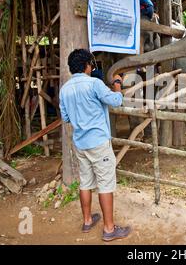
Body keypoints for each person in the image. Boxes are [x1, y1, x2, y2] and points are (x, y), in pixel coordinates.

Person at [59, 49, 131, 242]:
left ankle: (88, 220)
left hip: (80, 143)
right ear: (87, 66)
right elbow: (115, 101)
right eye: (91, 64)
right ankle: (109, 229)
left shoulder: (64, 89)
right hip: (99, 143)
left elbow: (66, 117)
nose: (92, 67)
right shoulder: (94, 84)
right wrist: (117, 84)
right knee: (105, 184)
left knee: (86, 182)